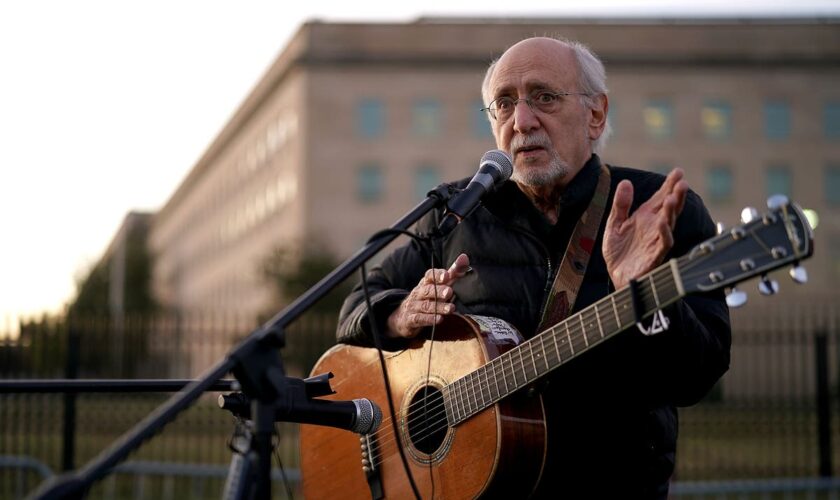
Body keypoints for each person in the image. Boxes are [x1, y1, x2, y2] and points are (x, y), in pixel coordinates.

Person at [337, 36, 731, 499]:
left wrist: (644, 296)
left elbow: (697, 375)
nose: (522, 121)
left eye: (544, 97)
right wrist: (399, 313)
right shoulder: (455, 212)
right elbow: (353, 308)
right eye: (504, 104)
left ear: (596, 114)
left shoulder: (659, 210)